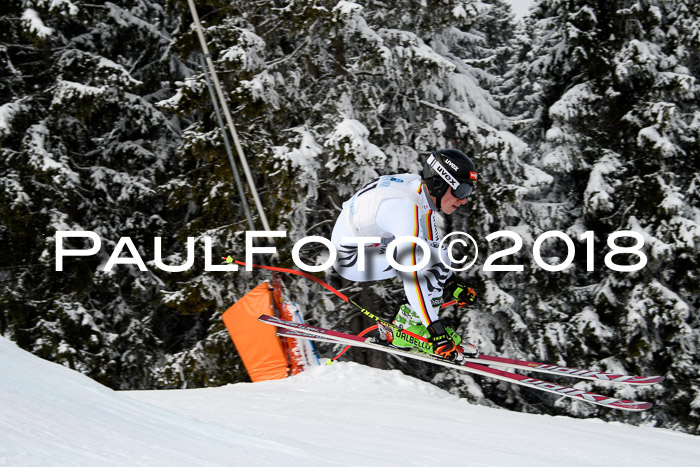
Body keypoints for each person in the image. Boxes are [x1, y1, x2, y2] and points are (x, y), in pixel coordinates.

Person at [330, 148, 479, 361]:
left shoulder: (418, 190)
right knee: (427, 259)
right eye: (461, 191)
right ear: (440, 183)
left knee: (436, 253)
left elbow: (433, 246)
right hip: (351, 258)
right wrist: (435, 330)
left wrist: (451, 283)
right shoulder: (404, 207)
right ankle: (414, 330)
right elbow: (414, 273)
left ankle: (411, 326)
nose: (464, 200)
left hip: (366, 244)